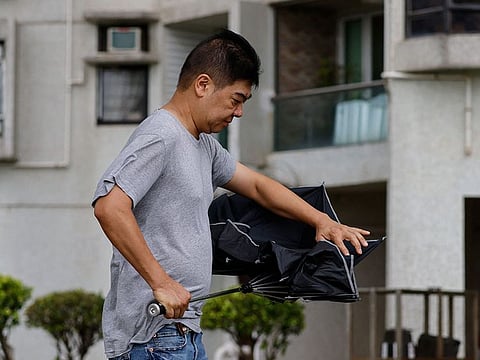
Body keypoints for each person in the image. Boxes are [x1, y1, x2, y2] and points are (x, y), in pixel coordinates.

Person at [92, 29, 370, 360]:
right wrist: (161, 282)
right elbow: (109, 207)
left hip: (182, 333)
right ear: (203, 85)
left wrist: (321, 221)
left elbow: (257, 186)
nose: (238, 113)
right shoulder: (161, 136)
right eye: (236, 100)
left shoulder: (203, 146)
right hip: (153, 336)